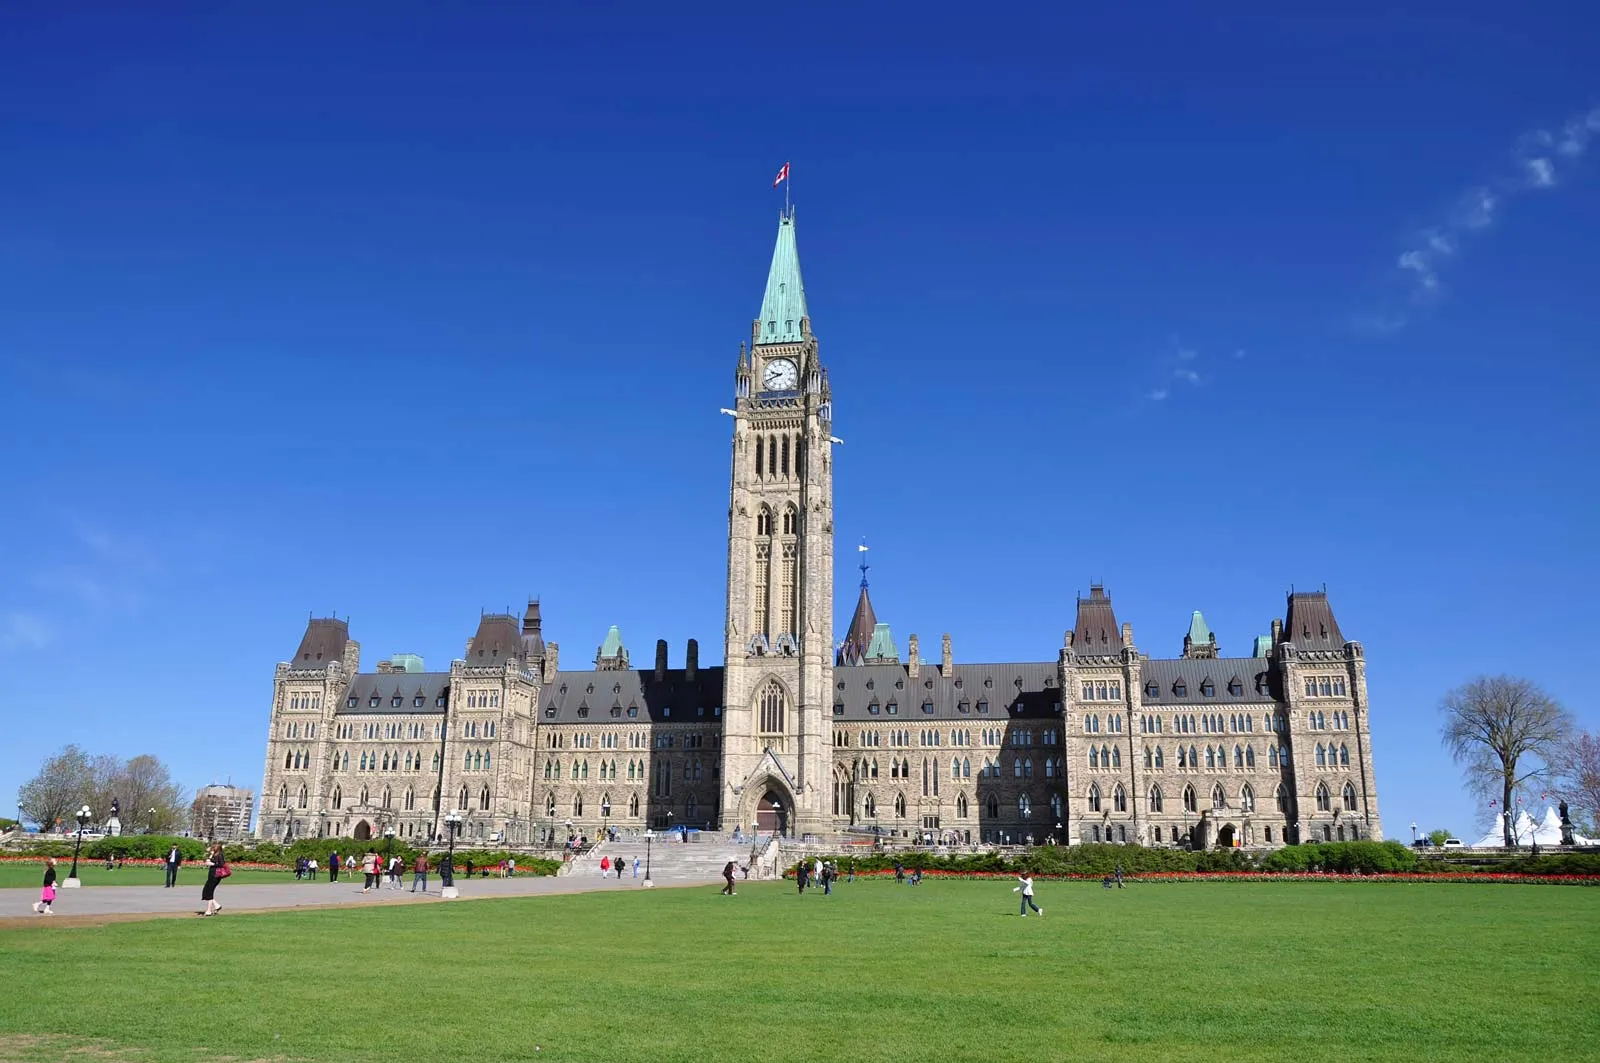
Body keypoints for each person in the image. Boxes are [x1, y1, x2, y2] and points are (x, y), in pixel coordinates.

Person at [201, 844, 228, 916]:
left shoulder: (220, 855)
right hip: (211, 875)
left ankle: (208, 911)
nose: (211, 849)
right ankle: (217, 906)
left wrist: (213, 864)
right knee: (206, 892)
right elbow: (207, 862)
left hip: (216, 876)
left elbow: (222, 864)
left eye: (213, 848)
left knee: (209, 893)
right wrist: (211, 855)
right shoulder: (214, 855)